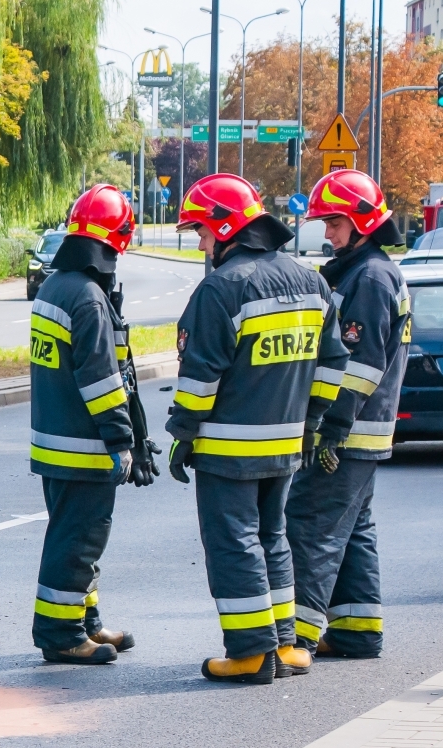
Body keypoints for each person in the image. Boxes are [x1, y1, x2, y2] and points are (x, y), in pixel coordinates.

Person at [167, 174, 349, 684]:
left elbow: (201, 376)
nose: (201, 243)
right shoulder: (312, 282)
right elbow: (334, 361)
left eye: (202, 231)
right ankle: (285, 646)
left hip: (228, 447)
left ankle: (249, 653)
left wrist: (183, 433)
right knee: (274, 538)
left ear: (227, 228)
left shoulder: (222, 289)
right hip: (287, 442)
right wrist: (313, 418)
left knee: (234, 542)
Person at [28, 184, 160, 664]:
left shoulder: (56, 287)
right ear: (117, 238)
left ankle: (86, 622)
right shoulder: (87, 298)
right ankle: (61, 635)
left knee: (79, 539)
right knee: (77, 542)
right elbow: (102, 380)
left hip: (56, 443)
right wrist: (123, 440)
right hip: (84, 447)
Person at [283, 169, 407, 660]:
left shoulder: (371, 278)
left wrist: (331, 428)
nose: (327, 233)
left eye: (334, 223)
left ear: (361, 222)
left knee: (311, 524)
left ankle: (297, 636)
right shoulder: (366, 272)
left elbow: (361, 365)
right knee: (354, 528)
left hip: (349, 430)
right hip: (361, 429)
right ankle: (357, 630)